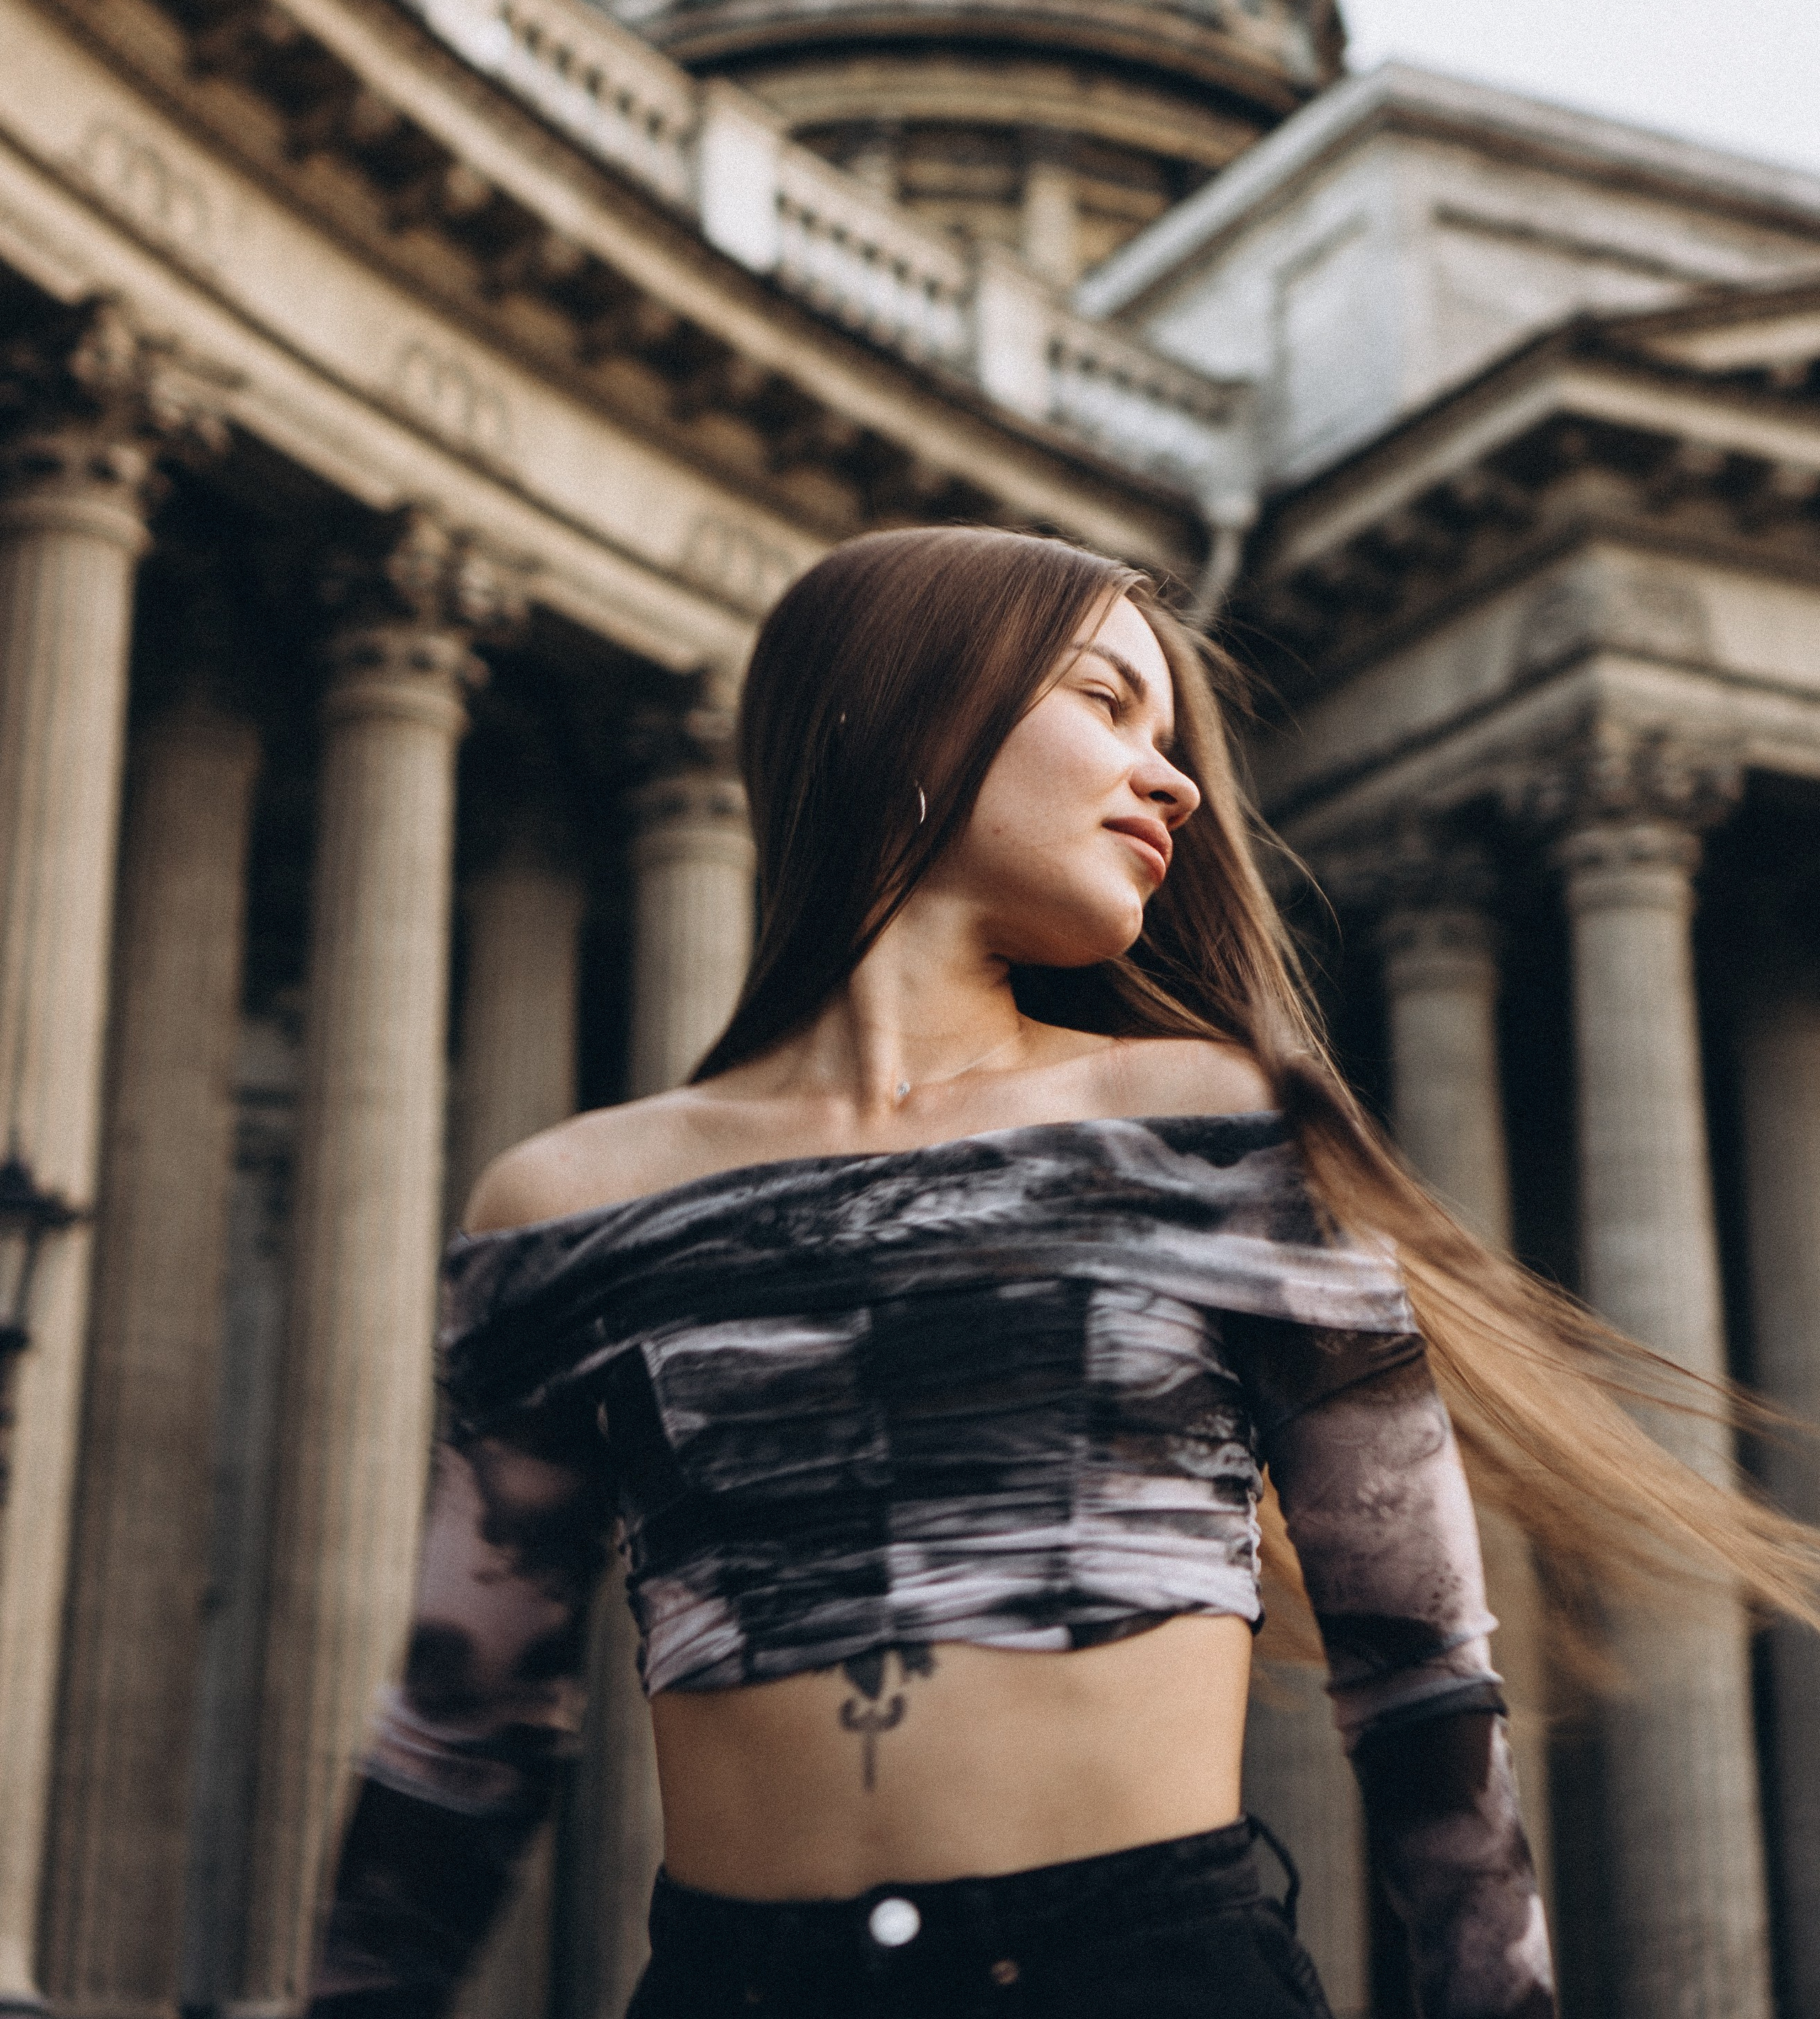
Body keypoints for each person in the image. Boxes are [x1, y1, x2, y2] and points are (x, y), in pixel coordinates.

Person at [305, 527, 1820, 2019]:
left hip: (1142, 1971)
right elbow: (460, 1734)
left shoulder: (1216, 1127)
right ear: (911, 713)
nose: (1169, 779)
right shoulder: (561, 1203)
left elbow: (1417, 1671)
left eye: (1168, 736)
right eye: (1106, 704)